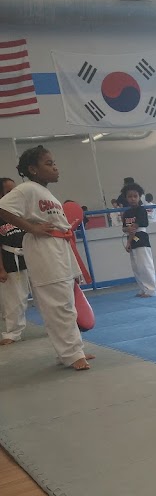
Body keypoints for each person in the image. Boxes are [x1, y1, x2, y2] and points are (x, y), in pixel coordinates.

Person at [0, 147, 92, 370]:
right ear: (33, 169)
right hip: (44, 249)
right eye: (49, 164)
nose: (55, 167)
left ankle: (72, 350)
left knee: (66, 302)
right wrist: (31, 227)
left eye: (54, 163)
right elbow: (2, 208)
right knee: (57, 304)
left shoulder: (45, 192)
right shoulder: (27, 188)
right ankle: (71, 354)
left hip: (60, 247)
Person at [0, 177, 30, 345]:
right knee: (14, 300)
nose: (14, 195)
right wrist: (1, 269)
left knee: (46, 296)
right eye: (9, 191)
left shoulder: (24, 212)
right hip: (10, 260)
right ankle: (12, 333)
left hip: (32, 257)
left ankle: (56, 327)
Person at [121, 185, 156, 298]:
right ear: (126, 198)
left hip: (141, 239)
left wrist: (128, 241)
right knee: (136, 266)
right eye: (130, 196)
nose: (132, 199)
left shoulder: (141, 210)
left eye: (135, 196)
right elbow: (124, 228)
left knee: (145, 265)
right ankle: (143, 288)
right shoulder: (127, 213)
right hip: (131, 239)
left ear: (139, 197)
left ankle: (151, 290)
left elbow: (135, 227)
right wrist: (128, 234)